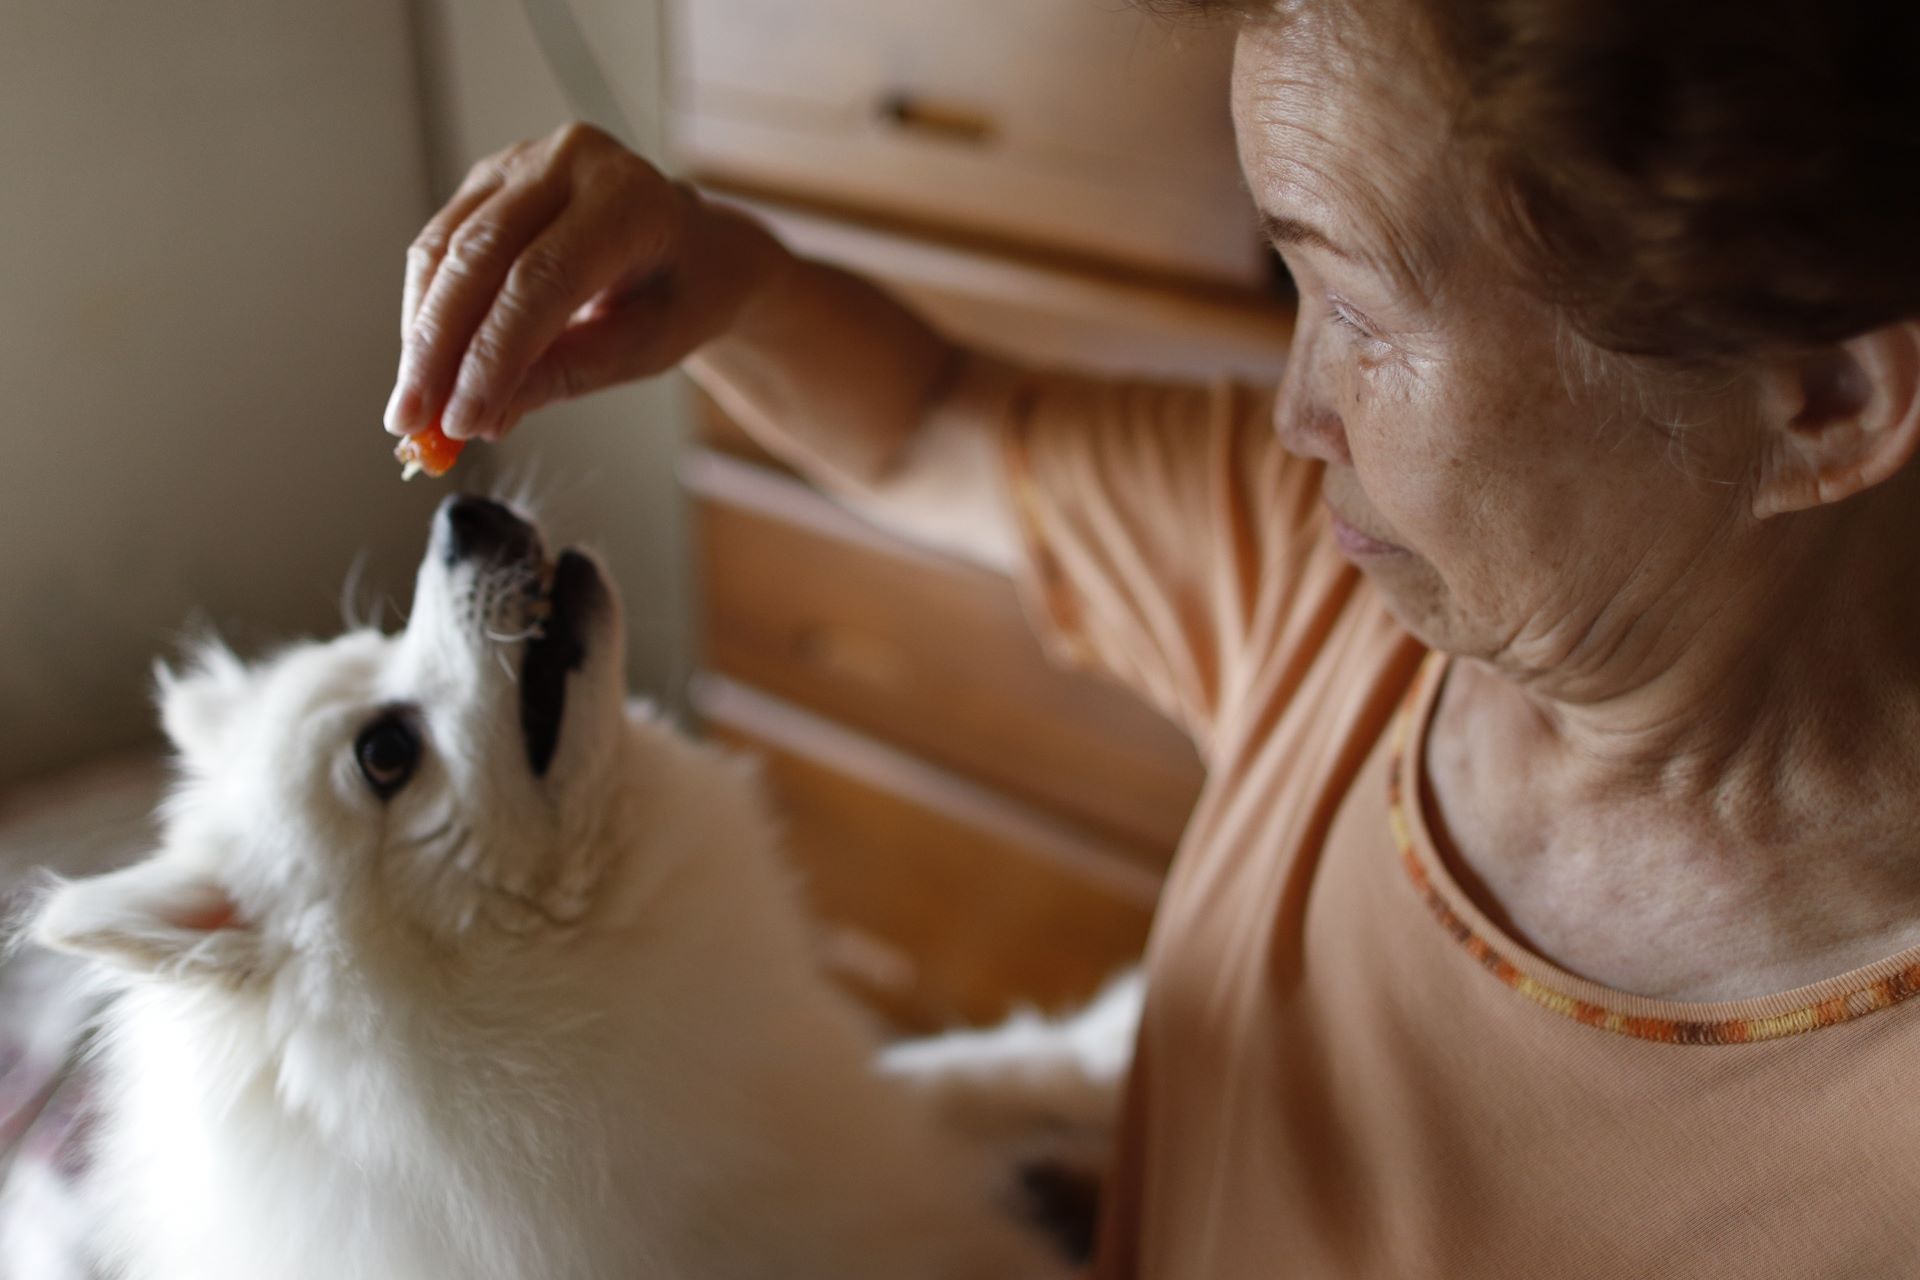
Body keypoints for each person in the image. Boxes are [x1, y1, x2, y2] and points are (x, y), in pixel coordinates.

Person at [384, 0, 1920, 1273]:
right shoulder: (1340, 581)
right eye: (1285, 282)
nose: (1293, 407)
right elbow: (936, 426)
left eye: (1364, 314)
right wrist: (720, 274)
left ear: (1828, 401)